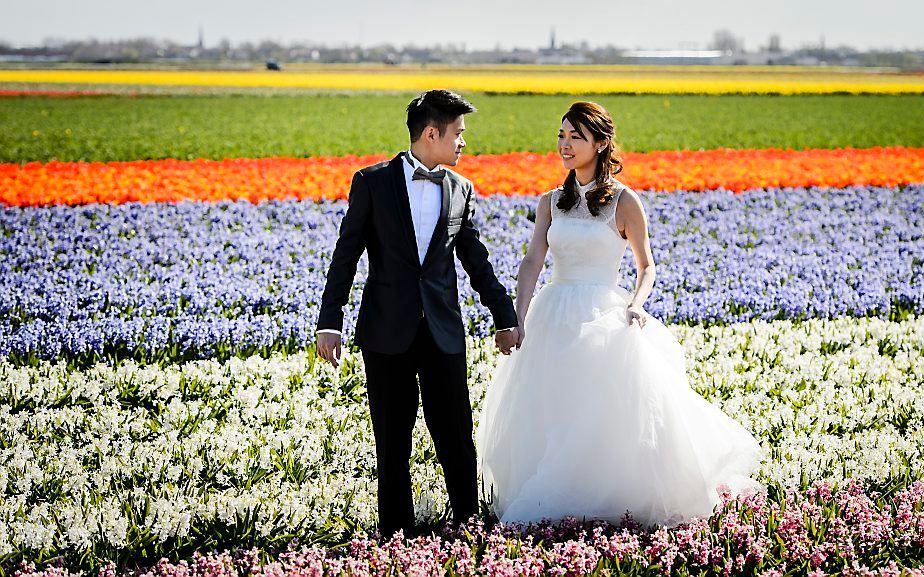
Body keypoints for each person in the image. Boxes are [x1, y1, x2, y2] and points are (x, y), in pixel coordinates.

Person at [476, 101, 765, 528]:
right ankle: (552, 495)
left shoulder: (624, 202)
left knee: (597, 411)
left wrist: (635, 304)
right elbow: (532, 262)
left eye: (576, 137)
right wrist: (518, 317)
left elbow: (646, 266)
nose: (565, 145)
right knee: (550, 409)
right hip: (552, 313)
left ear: (600, 143)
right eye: (562, 136)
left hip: (601, 314)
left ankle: (603, 499)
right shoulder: (549, 202)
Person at [315, 89, 521, 539]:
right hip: (385, 332)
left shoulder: (461, 189)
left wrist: (504, 315)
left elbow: (475, 259)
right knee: (392, 440)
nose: (464, 143)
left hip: (443, 332)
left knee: (455, 438)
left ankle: (472, 526)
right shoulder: (372, 182)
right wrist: (330, 321)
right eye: (458, 134)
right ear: (432, 133)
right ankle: (394, 537)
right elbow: (345, 254)